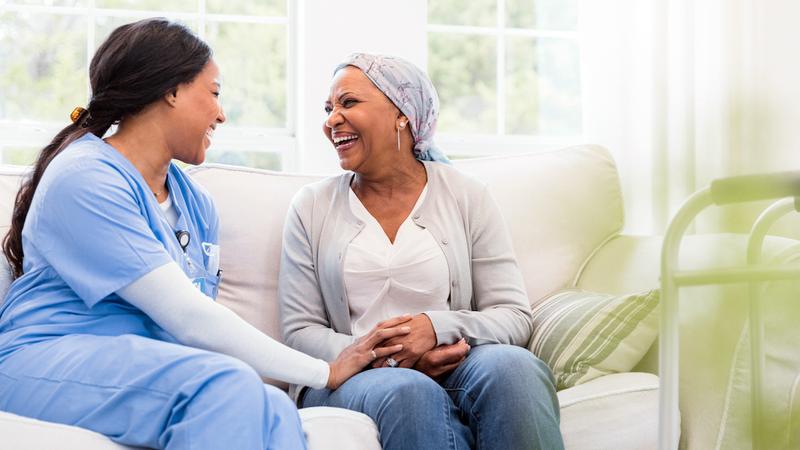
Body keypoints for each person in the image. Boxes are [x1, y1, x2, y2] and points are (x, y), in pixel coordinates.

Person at [0, 20, 410, 450]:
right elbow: (189, 318)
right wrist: (324, 370)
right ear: (172, 91)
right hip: (45, 359)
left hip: (141, 368)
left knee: (269, 405)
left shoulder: (196, 204)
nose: (221, 113)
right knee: (224, 387)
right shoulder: (85, 178)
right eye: (214, 93)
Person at [278, 52, 564, 450]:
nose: (331, 120)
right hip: (353, 376)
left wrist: (435, 329)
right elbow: (299, 333)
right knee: (409, 391)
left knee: (515, 369)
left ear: (403, 114)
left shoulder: (466, 195)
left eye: (348, 103)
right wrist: (392, 357)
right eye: (328, 108)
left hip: (454, 362)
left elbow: (513, 316)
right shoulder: (311, 206)